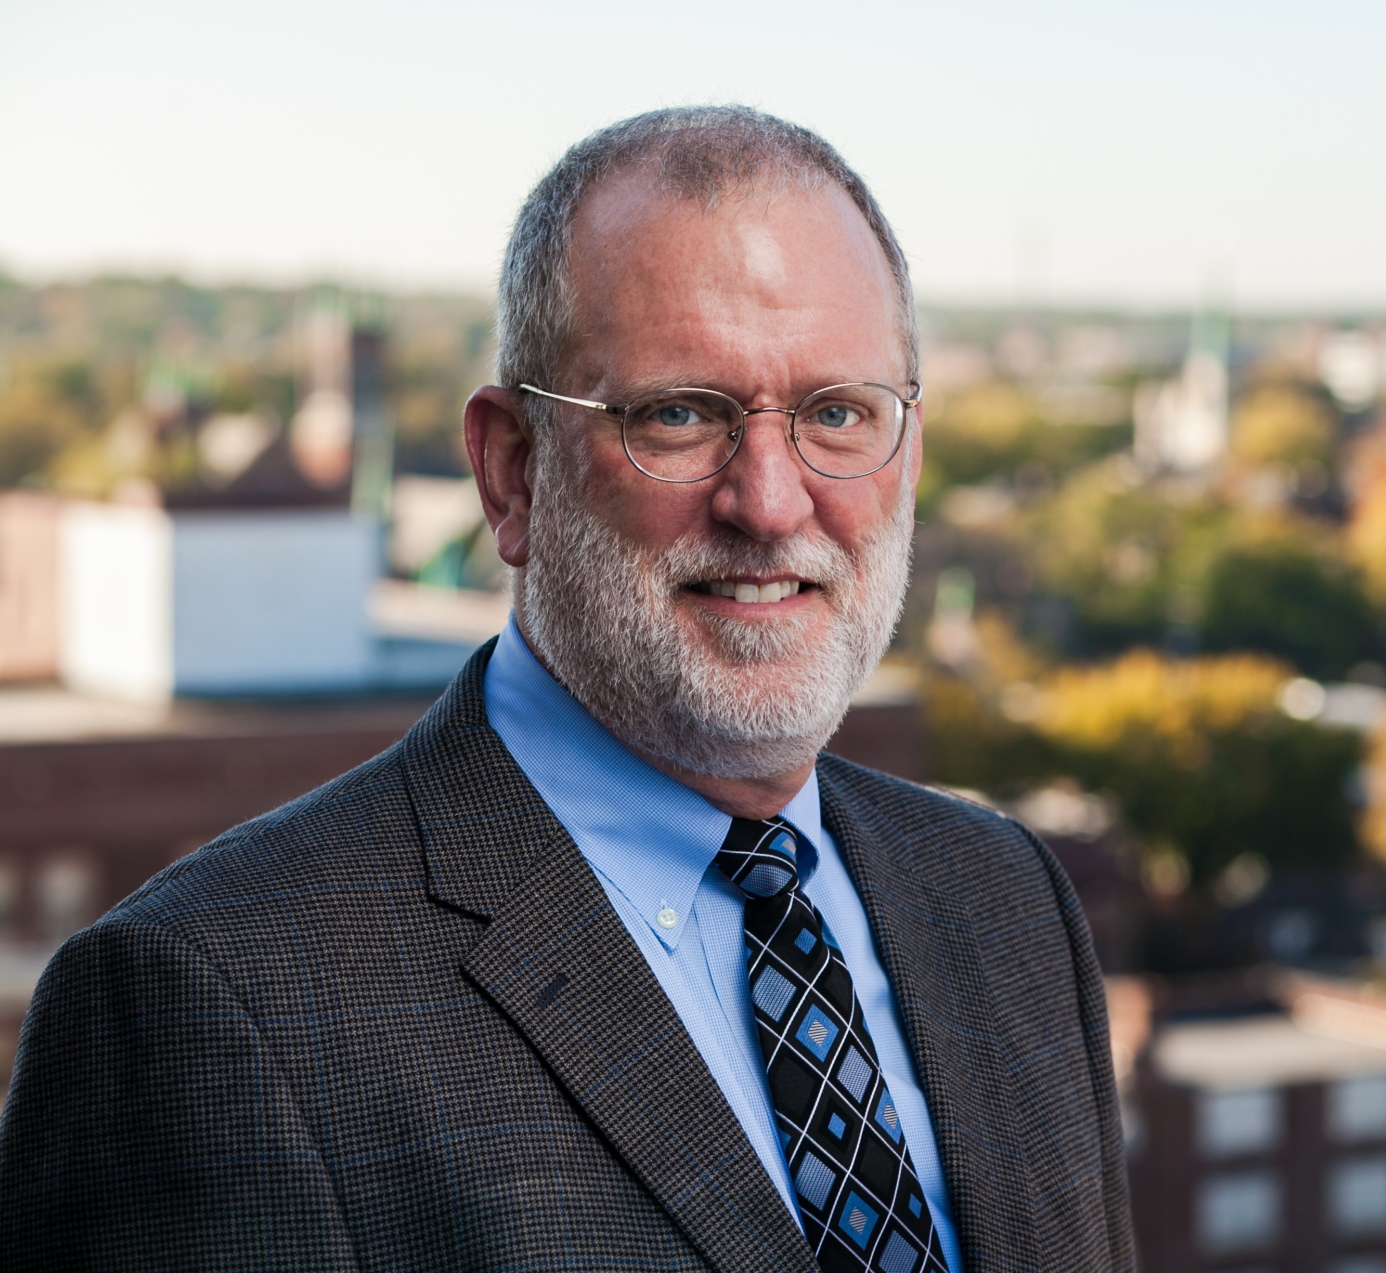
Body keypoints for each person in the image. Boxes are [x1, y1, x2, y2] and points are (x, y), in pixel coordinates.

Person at [0, 106, 1134, 1272]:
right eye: (679, 414)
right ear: (510, 471)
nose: (769, 501)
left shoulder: (1004, 899)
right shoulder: (211, 1006)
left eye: (836, 414)